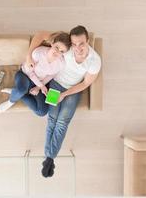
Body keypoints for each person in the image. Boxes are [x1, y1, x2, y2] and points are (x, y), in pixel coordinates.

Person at [26, 25, 102, 177]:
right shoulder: (66, 45)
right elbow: (41, 33)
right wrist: (29, 57)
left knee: (62, 122)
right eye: (74, 44)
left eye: (81, 44)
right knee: (52, 119)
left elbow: (86, 83)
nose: (77, 48)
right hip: (54, 85)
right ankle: (49, 158)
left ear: (88, 40)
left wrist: (65, 94)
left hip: (73, 91)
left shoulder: (94, 60)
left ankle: (49, 157)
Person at [0, 32, 71, 116]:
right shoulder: (38, 53)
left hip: (37, 83)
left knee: (42, 112)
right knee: (21, 89)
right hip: (25, 75)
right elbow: (30, 73)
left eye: (62, 51)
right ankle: (10, 102)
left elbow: (51, 75)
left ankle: (17, 93)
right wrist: (41, 86)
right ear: (52, 43)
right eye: (57, 47)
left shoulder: (60, 63)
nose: (57, 52)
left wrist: (38, 87)